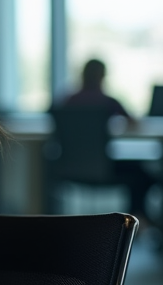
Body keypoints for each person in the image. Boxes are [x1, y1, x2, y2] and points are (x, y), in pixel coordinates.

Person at [60, 58, 155, 221]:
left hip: (68, 167)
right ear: (103, 76)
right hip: (104, 169)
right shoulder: (108, 102)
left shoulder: (68, 101)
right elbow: (133, 123)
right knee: (142, 174)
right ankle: (134, 220)